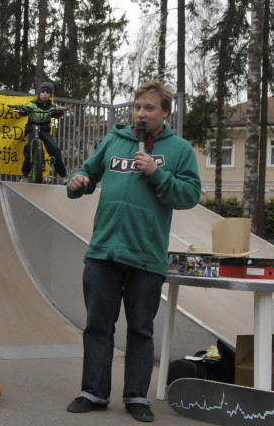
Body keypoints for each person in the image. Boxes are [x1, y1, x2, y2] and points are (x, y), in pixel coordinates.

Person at [65, 80, 200, 422]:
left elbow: (189, 196)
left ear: (165, 113)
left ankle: (136, 397)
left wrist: (158, 173)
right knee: (97, 325)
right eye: (137, 107)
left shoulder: (180, 149)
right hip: (104, 251)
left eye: (149, 108)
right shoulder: (115, 139)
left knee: (140, 329)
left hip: (146, 255)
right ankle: (92, 392)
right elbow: (88, 170)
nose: (141, 113)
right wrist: (78, 182)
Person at [15, 82, 68, 179]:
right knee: (29, 147)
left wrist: (60, 111)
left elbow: (56, 114)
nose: (45, 94)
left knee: (54, 148)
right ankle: (24, 175)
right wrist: (22, 111)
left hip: (44, 130)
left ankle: (63, 175)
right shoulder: (33, 104)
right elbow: (26, 110)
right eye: (43, 92)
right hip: (32, 129)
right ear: (39, 93)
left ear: (50, 95)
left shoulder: (51, 106)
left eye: (47, 93)